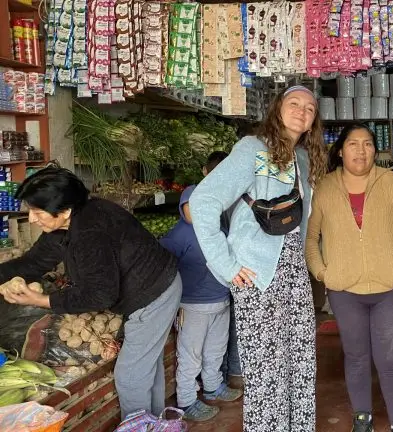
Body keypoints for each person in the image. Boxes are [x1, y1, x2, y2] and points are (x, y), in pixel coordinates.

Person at [188, 85, 327, 432]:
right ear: (277, 108)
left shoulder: (304, 157)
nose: (301, 111)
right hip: (256, 273)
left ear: (313, 121)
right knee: (267, 367)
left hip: (294, 271)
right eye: (294, 104)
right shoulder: (252, 149)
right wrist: (226, 265)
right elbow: (203, 202)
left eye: (309, 108)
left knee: (299, 359)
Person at [0, 167, 182, 420]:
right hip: (147, 283)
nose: (31, 219)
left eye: (37, 212)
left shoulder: (90, 234)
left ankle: (142, 425)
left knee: (130, 377)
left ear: (64, 211)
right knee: (146, 368)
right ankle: (156, 422)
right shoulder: (67, 222)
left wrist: (41, 300)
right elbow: (33, 263)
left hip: (153, 293)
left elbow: (100, 295)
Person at [305, 123, 393, 432]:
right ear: (341, 151)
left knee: (389, 359)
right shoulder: (325, 187)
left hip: (389, 288)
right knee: (356, 356)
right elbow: (310, 237)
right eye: (354, 144)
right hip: (344, 289)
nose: (361, 149)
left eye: (368, 143)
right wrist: (321, 272)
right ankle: (363, 418)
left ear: (375, 150)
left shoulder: (392, 182)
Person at [160, 152, 243, 422]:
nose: (197, 210)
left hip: (221, 299)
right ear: (183, 206)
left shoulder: (219, 229)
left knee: (216, 350)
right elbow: (163, 265)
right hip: (192, 305)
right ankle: (186, 400)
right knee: (190, 355)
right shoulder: (178, 235)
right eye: (191, 206)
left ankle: (213, 386)